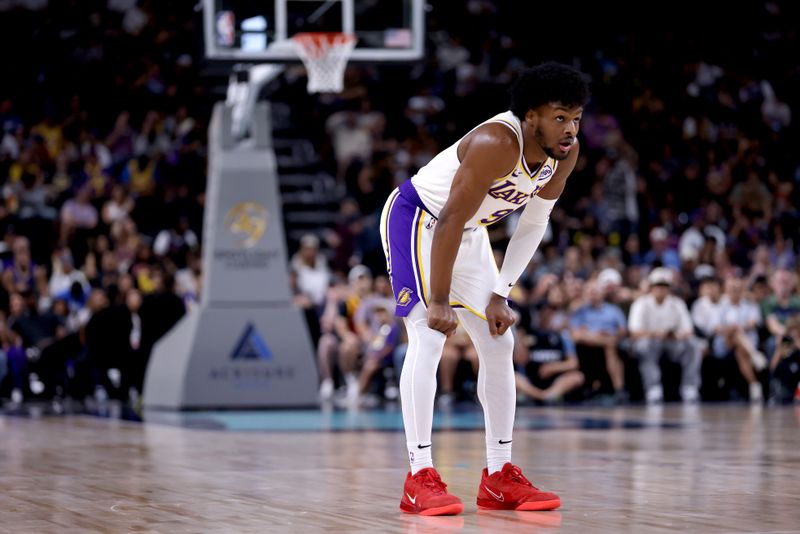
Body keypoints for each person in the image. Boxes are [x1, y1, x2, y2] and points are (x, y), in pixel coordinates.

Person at [379, 62, 589, 515]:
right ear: (530, 116)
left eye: (575, 118)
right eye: (559, 118)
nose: (570, 128)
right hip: (420, 220)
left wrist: (501, 293)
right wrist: (437, 300)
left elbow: (535, 222)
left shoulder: (564, 152)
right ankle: (418, 476)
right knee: (429, 334)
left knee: (500, 340)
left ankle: (498, 475)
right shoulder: (497, 142)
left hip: (468, 232)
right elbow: (450, 218)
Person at [628, 268, 702, 404]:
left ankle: (690, 387)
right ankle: (653, 388)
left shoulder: (677, 303)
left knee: (693, 344)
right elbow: (634, 332)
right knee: (645, 346)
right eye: (658, 286)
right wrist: (655, 334)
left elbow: (688, 330)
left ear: (669, 288)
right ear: (651, 287)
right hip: (650, 343)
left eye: (664, 286)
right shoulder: (641, 304)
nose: (661, 289)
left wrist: (675, 334)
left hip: (673, 343)